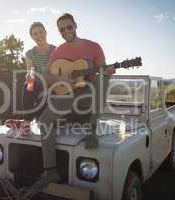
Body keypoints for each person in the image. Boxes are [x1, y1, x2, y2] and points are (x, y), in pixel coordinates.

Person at [30, 13, 116, 191]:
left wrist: (107, 72)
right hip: (67, 94)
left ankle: (92, 131)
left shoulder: (94, 47)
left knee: (103, 79)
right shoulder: (58, 51)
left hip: (89, 93)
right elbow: (46, 75)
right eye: (62, 29)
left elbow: (102, 71)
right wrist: (60, 78)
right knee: (44, 120)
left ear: (75, 26)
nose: (65, 31)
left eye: (69, 27)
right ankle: (50, 171)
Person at [23, 22, 56, 120]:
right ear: (32, 36)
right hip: (38, 82)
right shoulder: (30, 53)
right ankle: (27, 120)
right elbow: (31, 70)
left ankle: (39, 116)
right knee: (28, 85)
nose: (39, 36)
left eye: (41, 32)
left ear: (45, 33)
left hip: (52, 81)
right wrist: (29, 76)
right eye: (35, 34)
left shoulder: (55, 50)